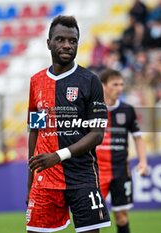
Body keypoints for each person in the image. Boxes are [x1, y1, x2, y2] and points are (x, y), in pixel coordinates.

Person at [26, 15, 111, 233]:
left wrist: (58, 155)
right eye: (60, 39)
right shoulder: (36, 82)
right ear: (49, 43)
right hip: (45, 180)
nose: (67, 45)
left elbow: (97, 134)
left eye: (72, 41)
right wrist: (31, 182)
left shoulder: (90, 80)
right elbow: (35, 131)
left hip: (82, 178)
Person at [96, 69, 148, 233]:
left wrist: (143, 162)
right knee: (93, 216)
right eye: (115, 84)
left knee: (121, 215)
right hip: (96, 172)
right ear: (103, 86)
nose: (119, 88)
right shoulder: (92, 109)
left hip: (120, 171)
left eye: (121, 84)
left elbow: (138, 138)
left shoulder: (127, 110)